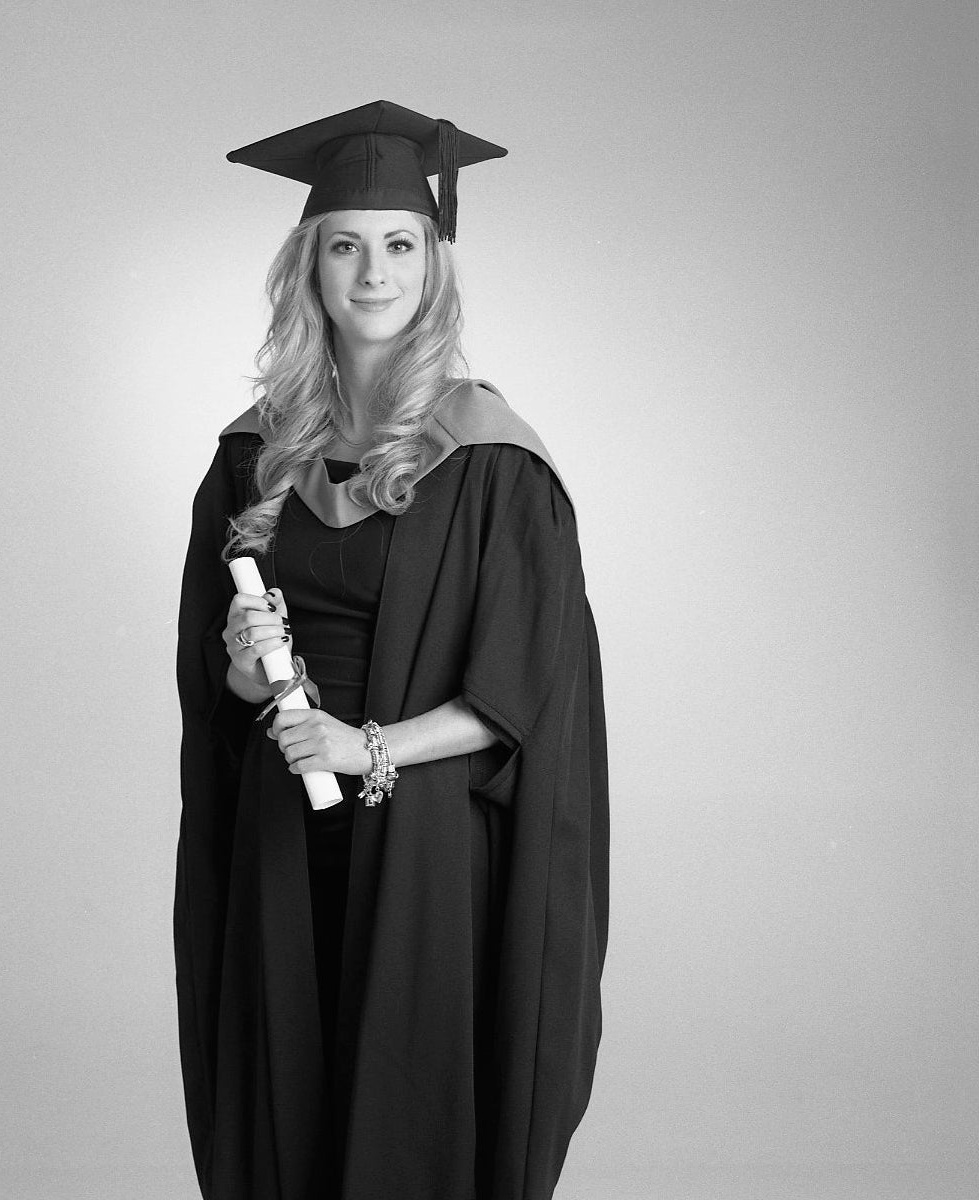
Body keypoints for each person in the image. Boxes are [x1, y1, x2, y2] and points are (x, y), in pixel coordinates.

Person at [175, 100, 608, 1200]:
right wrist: (241, 659)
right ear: (308, 267)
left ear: (434, 266)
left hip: (425, 840)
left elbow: (522, 696)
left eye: (400, 243)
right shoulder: (253, 457)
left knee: (409, 1105)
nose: (374, 271)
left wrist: (365, 743)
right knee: (289, 1092)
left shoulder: (493, 461)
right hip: (286, 829)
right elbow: (222, 693)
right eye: (345, 244)